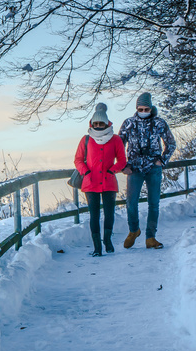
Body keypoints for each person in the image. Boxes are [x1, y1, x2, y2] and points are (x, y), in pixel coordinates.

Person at [118, 92, 176, 249]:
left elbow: (171, 143)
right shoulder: (128, 123)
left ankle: (151, 237)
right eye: (140, 109)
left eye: (146, 109)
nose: (143, 112)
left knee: (154, 204)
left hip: (153, 168)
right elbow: (118, 146)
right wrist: (124, 166)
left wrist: (162, 160)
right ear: (136, 108)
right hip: (134, 168)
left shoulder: (159, 123)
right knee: (131, 202)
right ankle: (133, 230)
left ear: (151, 109)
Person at [74, 103, 127, 256]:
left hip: (109, 181)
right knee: (94, 215)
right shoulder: (86, 139)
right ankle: (97, 247)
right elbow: (78, 159)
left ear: (106, 123)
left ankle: (108, 241)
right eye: (95, 123)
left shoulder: (115, 139)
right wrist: (86, 172)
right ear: (92, 123)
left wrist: (112, 170)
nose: (98, 126)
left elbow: (122, 160)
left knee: (109, 213)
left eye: (101, 123)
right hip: (90, 182)